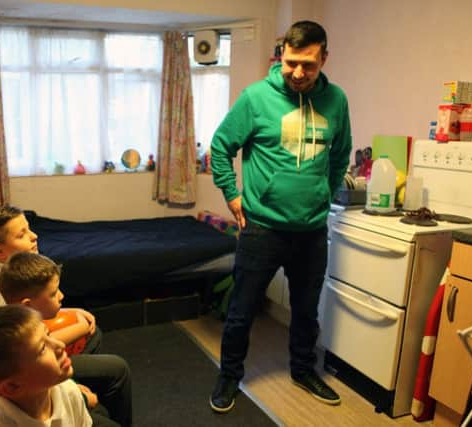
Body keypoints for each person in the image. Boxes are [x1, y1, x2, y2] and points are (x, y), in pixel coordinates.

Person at [209, 20, 352, 412]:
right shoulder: (256, 98)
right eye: (291, 63)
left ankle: (304, 371)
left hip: (310, 231)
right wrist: (232, 195)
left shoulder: (336, 101)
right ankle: (228, 375)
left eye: (308, 64)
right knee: (242, 310)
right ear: (281, 55)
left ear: (324, 58)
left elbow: (340, 154)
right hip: (261, 227)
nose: (298, 73)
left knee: (306, 311)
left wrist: (324, 192)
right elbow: (220, 148)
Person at [0, 206, 132, 427]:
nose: (34, 236)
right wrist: (80, 327)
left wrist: (70, 311)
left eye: (29, 229)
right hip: (23, 361)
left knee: (94, 334)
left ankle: (87, 391)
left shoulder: (10, 273)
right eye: (22, 234)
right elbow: (28, 344)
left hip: (34, 349)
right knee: (115, 366)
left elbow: (33, 316)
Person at [0, 304, 95, 426]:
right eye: (42, 349)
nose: (60, 345)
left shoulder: (68, 390)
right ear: (12, 387)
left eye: (48, 334)